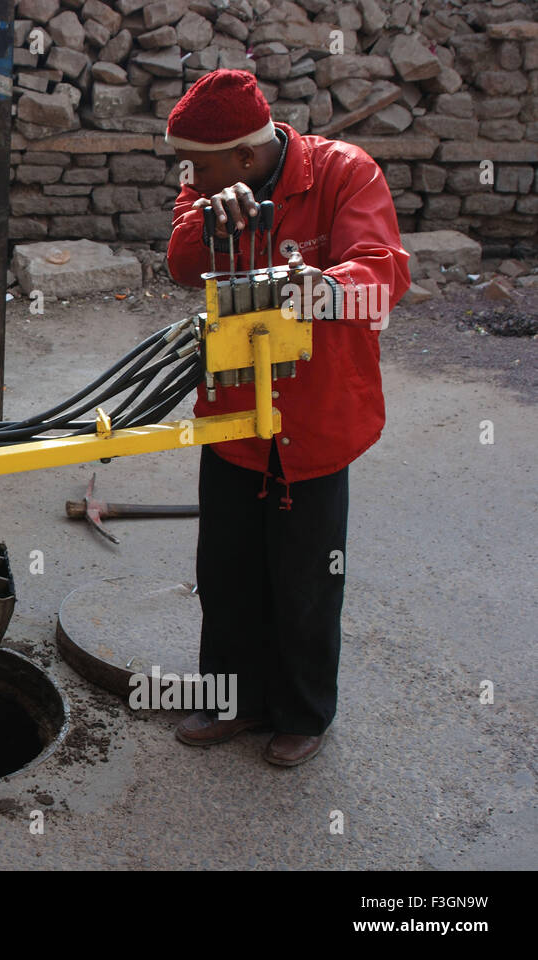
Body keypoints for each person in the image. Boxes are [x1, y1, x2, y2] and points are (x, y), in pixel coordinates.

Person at [165, 69, 410, 766]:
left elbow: (384, 274)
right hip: (237, 415)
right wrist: (211, 227)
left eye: (202, 168)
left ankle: (303, 713)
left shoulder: (346, 173)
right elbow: (181, 263)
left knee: (306, 578)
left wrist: (325, 287)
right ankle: (233, 701)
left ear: (245, 156)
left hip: (319, 413)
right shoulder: (209, 182)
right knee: (228, 570)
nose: (191, 176)